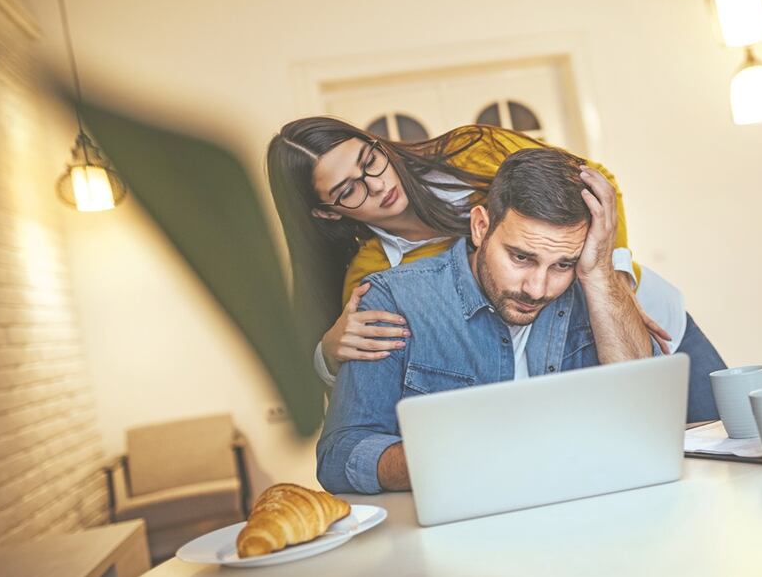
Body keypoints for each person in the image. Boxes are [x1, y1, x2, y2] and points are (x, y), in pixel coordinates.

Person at [267, 118, 725, 421]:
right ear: (329, 213)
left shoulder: (473, 152)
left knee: (727, 451)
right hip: (567, 369)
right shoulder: (373, 277)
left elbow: (595, 179)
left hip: (657, 327)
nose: (377, 184)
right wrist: (328, 355)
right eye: (349, 190)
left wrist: (614, 281)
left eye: (369, 161)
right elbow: (372, 383)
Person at [316, 149, 655, 493]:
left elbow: (642, 412)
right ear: (481, 227)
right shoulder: (393, 299)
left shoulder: (590, 285)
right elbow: (338, 455)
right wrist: (449, 459)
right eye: (521, 257)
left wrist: (597, 272)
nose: (537, 289)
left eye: (562, 264)